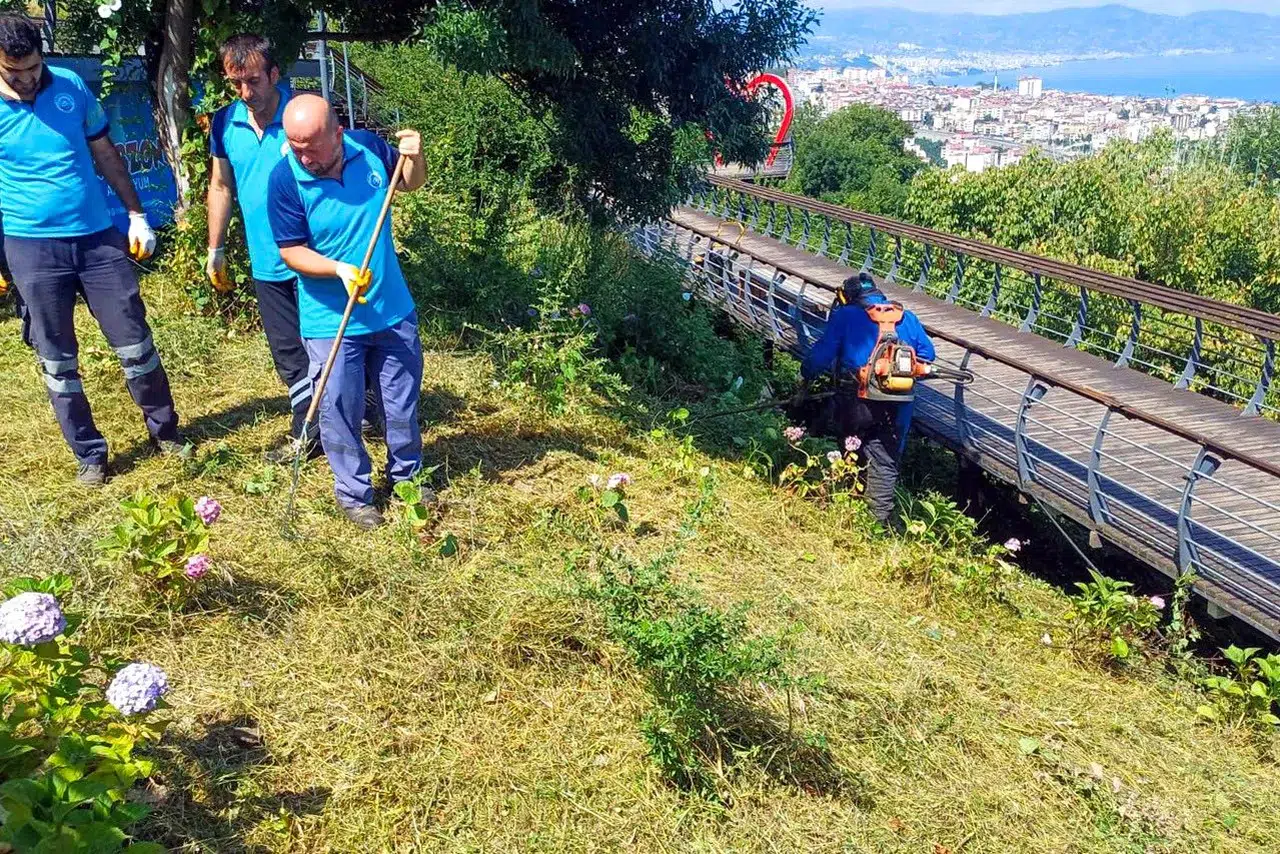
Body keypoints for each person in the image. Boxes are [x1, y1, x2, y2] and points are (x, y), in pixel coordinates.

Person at [0, 15, 185, 485]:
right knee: (57, 357)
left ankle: (165, 432)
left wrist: (137, 214)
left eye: (33, 69)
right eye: (12, 73)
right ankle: (89, 453)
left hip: (98, 238)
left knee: (135, 340)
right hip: (31, 248)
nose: (26, 81)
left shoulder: (70, 87)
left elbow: (104, 151)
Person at [206, 33, 380, 462]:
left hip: (319, 261)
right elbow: (221, 184)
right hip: (269, 261)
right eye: (236, 84)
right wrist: (216, 247)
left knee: (343, 346)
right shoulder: (225, 123)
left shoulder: (305, 119)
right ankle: (310, 431)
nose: (246, 93)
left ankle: (366, 413)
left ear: (274, 74)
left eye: (253, 81)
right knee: (289, 355)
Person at [266, 95, 427, 530]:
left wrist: (415, 155)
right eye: (295, 145)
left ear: (337, 133)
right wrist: (337, 269)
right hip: (330, 320)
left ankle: (407, 479)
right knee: (339, 408)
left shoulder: (368, 148)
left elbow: (408, 182)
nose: (303, 155)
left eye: (311, 146)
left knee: (401, 404)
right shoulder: (285, 179)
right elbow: (291, 251)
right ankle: (355, 495)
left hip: (392, 309)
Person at [800, 272, 936, 527]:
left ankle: (849, 510)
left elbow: (819, 358)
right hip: (899, 403)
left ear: (848, 297)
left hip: (856, 401)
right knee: (885, 462)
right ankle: (877, 524)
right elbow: (928, 354)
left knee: (852, 449)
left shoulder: (845, 315)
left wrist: (806, 373)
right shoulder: (906, 317)